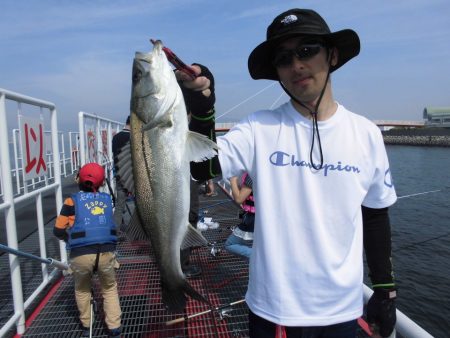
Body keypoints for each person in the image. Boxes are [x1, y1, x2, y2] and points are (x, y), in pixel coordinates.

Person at [215, 8, 398, 338]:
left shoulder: (366, 133)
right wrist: (202, 108)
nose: (296, 65)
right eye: (284, 58)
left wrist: (384, 289)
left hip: (343, 309)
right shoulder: (258, 127)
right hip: (274, 311)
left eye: (307, 50)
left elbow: (375, 215)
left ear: (333, 55)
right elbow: (201, 168)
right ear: (278, 72)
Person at [53, 163, 122, 338]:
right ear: (101, 182)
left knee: (82, 289)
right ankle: (114, 327)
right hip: (107, 252)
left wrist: (71, 239)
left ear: (79, 179)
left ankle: (87, 325)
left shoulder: (70, 201)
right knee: (109, 288)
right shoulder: (106, 199)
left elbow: (58, 230)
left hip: (80, 254)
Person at [175, 63, 221, 277]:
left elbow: (204, 128)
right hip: (182, 180)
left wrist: (203, 107)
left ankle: (175, 263)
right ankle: (180, 266)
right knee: (188, 217)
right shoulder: (177, 119)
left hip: (184, 177)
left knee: (181, 219)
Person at [224, 173, 255, 259]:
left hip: (252, 218)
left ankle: (259, 258)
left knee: (230, 245)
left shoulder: (253, 174)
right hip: (265, 216)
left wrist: (232, 180)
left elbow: (239, 199)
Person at [112, 116, 132, 230]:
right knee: (140, 204)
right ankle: (139, 230)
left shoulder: (115, 138)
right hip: (132, 176)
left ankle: (115, 231)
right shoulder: (133, 138)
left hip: (119, 174)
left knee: (120, 204)